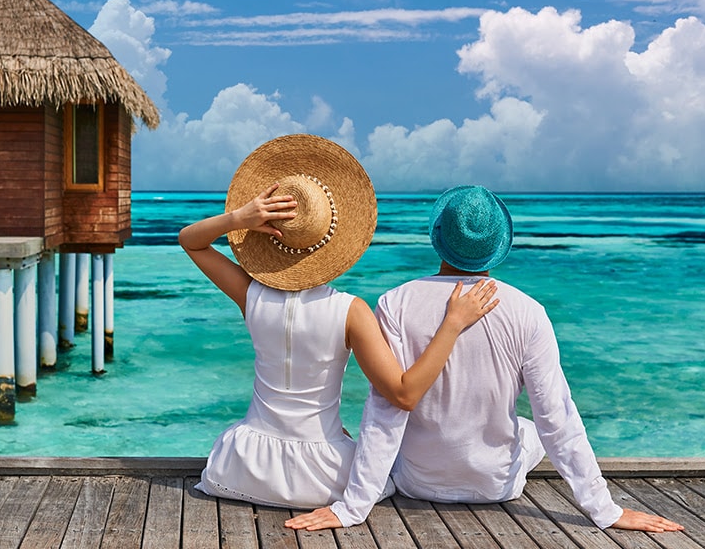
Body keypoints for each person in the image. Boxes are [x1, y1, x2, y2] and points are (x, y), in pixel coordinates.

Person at [286, 185, 685, 534]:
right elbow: (557, 418)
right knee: (531, 427)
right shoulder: (527, 311)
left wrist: (354, 507)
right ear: (498, 244)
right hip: (497, 487)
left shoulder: (395, 303)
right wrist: (605, 509)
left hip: (417, 481)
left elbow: (385, 411)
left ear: (438, 237)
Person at [180, 135, 499, 509]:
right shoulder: (350, 311)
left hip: (241, 466)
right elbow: (404, 394)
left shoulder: (251, 296)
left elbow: (191, 241)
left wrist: (239, 218)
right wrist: (452, 324)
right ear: (334, 241)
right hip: (321, 477)